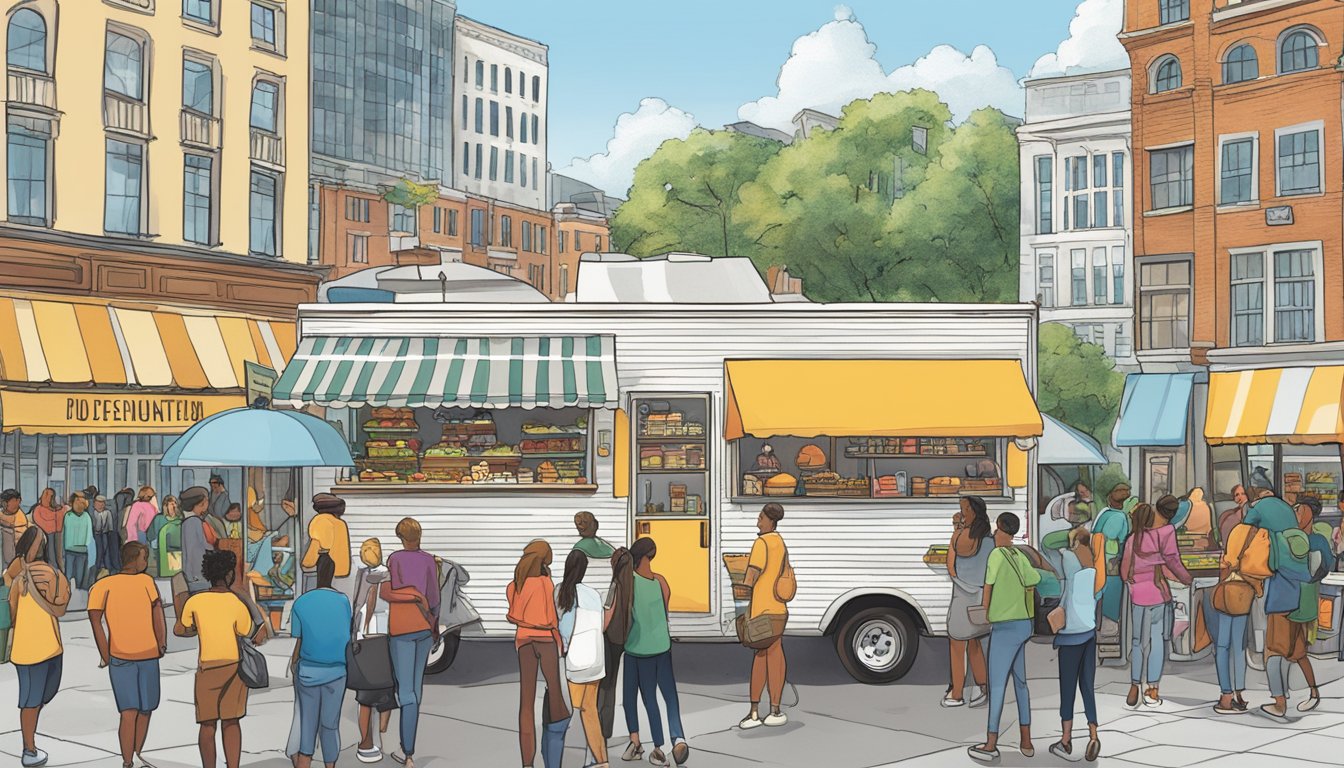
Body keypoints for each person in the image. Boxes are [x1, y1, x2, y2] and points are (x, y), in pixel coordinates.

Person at [88, 541, 167, 768]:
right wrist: (161, 643)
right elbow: (158, 614)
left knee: (131, 711)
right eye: (145, 558)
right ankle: (133, 756)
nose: (146, 562)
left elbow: (95, 619)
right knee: (143, 710)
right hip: (144, 656)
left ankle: (130, 759)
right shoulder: (146, 583)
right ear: (135, 560)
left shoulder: (105, 585)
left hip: (122, 657)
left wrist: (105, 653)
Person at [174, 549, 256, 768]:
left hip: (207, 667)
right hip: (234, 666)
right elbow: (247, 631)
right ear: (229, 574)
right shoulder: (236, 602)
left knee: (207, 724)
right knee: (231, 721)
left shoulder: (196, 601)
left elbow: (182, 629)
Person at [969, 513, 1038, 763]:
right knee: (1021, 683)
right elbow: (1035, 578)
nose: (994, 535)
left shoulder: (997, 555)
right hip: (1024, 626)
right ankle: (1026, 741)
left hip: (1004, 628)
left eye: (997, 531)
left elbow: (988, 584)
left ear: (1003, 532)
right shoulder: (1020, 555)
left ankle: (990, 743)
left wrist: (986, 612)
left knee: (997, 685)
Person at [622, 537, 690, 766]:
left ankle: (656, 747)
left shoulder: (628, 581)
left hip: (637, 648)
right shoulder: (661, 581)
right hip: (662, 645)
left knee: (640, 697)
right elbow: (665, 612)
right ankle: (678, 738)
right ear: (651, 556)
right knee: (669, 694)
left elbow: (624, 615)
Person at [6, 527, 70, 767]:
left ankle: (29, 742)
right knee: (32, 700)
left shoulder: (23, 574)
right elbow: (62, 601)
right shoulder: (45, 573)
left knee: (39, 697)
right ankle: (29, 750)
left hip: (42, 647)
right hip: (37, 648)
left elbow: (11, 610)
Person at [1121, 502, 1192, 709]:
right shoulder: (1160, 537)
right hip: (1159, 596)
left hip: (1137, 597)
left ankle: (1134, 684)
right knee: (1157, 642)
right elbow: (1169, 566)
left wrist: (1133, 581)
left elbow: (1125, 571)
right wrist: (1186, 579)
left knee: (1136, 641)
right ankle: (1152, 689)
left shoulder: (1132, 540)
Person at [379, 517, 438, 767]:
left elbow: (386, 592)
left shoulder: (394, 559)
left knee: (405, 692)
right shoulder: (429, 560)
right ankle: (409, 750)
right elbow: (434, 597)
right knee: (416, 689)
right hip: (424, 628)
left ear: (400, 537)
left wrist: (408, 595)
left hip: (401, 628)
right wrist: (420, 599)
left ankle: (408, 753)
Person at [506, 539, 569, 768]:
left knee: (526, 702)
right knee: (554, 693)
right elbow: (552, 617)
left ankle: (527, 763)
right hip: (546, 640)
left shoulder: (516, 584)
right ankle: (554, 752)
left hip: (523, 641)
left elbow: (513, 614)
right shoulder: (546, 583)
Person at [287, 553, 351, 768]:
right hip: (337, 671)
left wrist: (293, 664)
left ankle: (305, 761)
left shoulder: (302, 602)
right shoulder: (343, 602)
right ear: (333, 574)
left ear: (315, 574)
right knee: (330, 724)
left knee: (308, 723)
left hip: (308, 670)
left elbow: (299, 639)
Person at [1050, 526, 1106, 762]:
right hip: (1089, 632)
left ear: (1075, 543)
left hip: (1071, 634)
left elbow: (1047, 542)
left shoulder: (1069, 561)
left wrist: (1068, 541)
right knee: (1087, 686)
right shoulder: (1094, 569)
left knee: (1067, 689)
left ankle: (1066, 739)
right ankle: (1093, 734)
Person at [739, 502, 791, 728]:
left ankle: (753, 713)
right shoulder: (780, 542)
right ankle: (776, 711)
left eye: (760, 518)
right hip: (779, 609)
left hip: (761, 611)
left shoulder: (762, 543)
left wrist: (741, 589)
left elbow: (751, 576)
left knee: (760, 659)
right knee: (776, 658)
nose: (757, 522)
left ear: (770, 520)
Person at [557, 548, 608, 768]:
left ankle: (564, 760)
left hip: (575, 661)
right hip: (595, 660)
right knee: (590, 712)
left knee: (567, 714)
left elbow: (565, 628)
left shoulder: (560, 591)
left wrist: (563, 650)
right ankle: (601, 761)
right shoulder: (593, 594)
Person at [944, 496, 994, 708]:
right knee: (975, 643)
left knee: (957, 646)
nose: (962, 513)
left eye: (964, 510)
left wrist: (956, 528)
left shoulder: (959, 539)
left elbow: (951, 566)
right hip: (981, 598)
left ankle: (956, 694)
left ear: (972, 513)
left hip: (962, 598)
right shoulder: (990, 541)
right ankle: (982, 688)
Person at [1214, 504, 1261, 716]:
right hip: (1245, 592)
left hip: (1228, 589)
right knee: (1239, 645)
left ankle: (1226, 695)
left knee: (1223, 645)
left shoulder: (1236, 531)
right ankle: (1240, 692)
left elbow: (1226, 561)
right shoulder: (1261, 536)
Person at [352, 539, 396, 763]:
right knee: (386, 690)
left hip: (364, 634)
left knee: (365, 695)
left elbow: (357, 606)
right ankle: (382, 737)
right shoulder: (388, 574)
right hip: (384, 635)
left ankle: (366, 743)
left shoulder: (362, 575)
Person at [599, 547, 634, 744]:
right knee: (612, 683)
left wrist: (597, 630)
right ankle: (607, 727)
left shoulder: (615, 585)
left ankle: (601, 726)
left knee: (605, 684)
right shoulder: (633, 585)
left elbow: (607, 615)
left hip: (610, 638)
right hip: (624, 639)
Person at [1090, 484, 1133, 644]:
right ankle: (1111, 626)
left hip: (1098, 557)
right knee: (1113, 592)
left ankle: (1099, 624)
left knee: (1100, 590)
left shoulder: (1103, 515)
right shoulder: (1121, 517)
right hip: (1113, 560)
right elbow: (1122, 540)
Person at [302, 493, 351, 588]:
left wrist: (307, 562)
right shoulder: (340, 523)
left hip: (326, 568)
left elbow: (317, 545)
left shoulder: (320, 520)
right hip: (341, 571)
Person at [62, 492, 96, 591]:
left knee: (79, 575)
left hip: (82, 551)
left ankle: (78, 595)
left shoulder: (86, 517)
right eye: (77, 501)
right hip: (69, 550)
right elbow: (64, 533)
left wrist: (88, 547)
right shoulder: (68, 516)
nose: (79, 504)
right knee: (68, 575)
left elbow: (89, 535)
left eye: (81, 502)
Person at [146, 496, 180, 579]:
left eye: (175, 503)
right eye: (171, 504)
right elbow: (150, 534)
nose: (174, 506)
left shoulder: (181, 519)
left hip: (178, 550)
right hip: (161, 550)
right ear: (165, 506)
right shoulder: (158, 518)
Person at [30, 488, 64, 570]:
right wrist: (51, 527)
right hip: (48, 534)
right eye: (46, 494)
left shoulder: (58, 509)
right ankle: (53, 569)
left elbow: (61, 520)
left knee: (59, 555)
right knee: (51, 555)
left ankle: (61, 571)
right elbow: (39, 521)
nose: (47, 497)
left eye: (50, 495)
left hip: (58, 533)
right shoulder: (38, 509)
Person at [92, 495, 122, 577]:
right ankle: (97, 567)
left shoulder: (107, 513)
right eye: (98, 503)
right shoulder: (92, 513)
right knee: (98, 551)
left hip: (105, 533)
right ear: (94, 504)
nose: (100, 505)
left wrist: (109, 532)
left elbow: (110, 525)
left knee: (105, 549)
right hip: (95, 534)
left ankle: (107, 567)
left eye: (102, 504)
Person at [1, 488, 29, 565]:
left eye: (8, 501)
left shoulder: (20, 517)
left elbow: (18, 537)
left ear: (18, 501)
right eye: (4, 502)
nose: (5, 504)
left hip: (13, 553)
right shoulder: (2, 512)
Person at [1218, 484, 1250, 552]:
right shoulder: (1230, 514)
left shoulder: (1250, 509)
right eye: (1237, 495)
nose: (1240, 497)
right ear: (1234, 498)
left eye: (1243, 494)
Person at [206, 476, 231, 540]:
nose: (213, 488)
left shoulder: (225, 495)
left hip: (222, 521)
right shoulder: (210, 494)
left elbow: (222, 510)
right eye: (212, 486)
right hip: (211, 519)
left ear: (220, 485)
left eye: (215, 486)